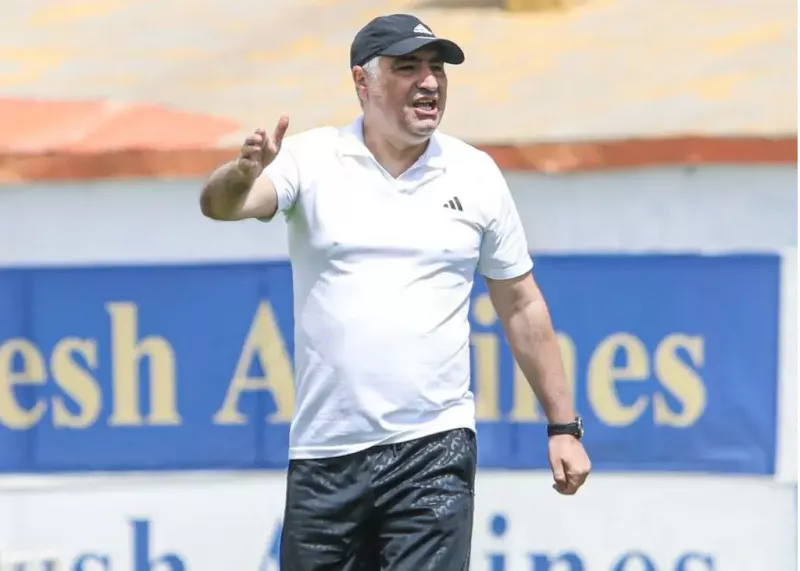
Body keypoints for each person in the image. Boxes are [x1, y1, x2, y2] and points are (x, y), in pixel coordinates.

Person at [199, 12, 591, 571]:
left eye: (437, 69)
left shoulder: (475, 173)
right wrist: (240, 174)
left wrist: (563, 428)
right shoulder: (311, 158)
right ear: (363, 82)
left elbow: (521, 303)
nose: (429, 82)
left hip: (434, 450)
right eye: (408, 68)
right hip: (324, 455)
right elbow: (225, 206)